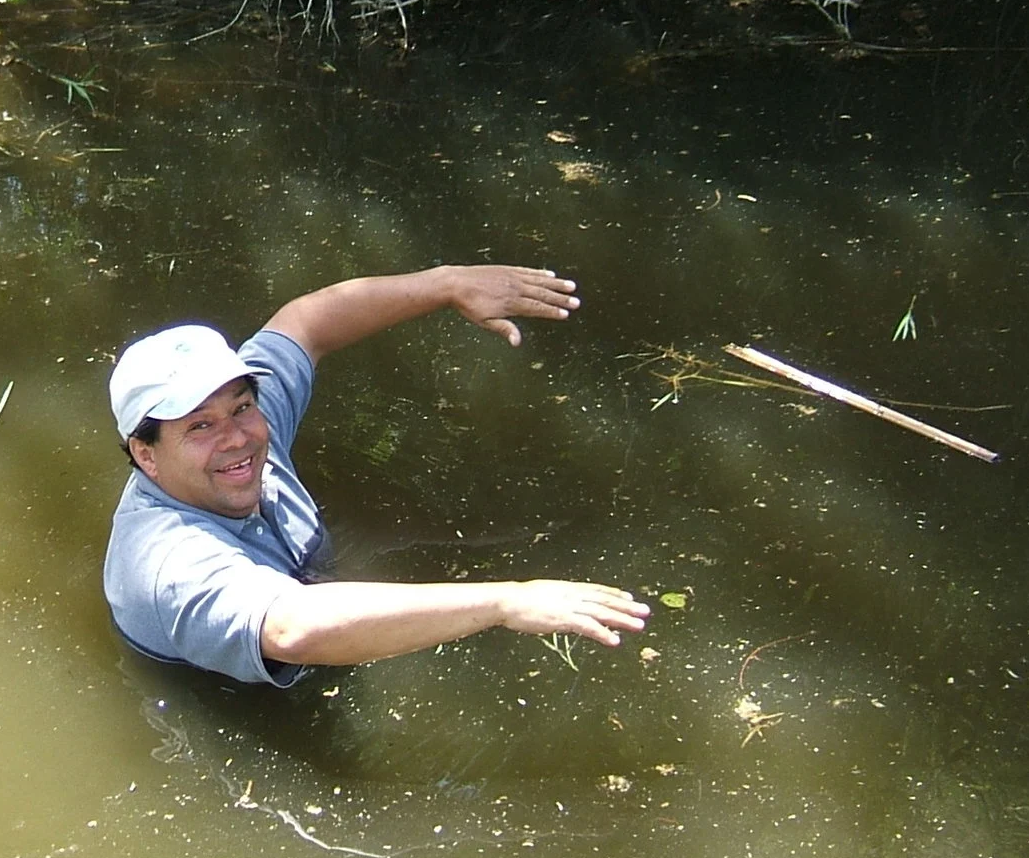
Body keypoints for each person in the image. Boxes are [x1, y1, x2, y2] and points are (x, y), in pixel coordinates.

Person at [103, 264, 651, 686]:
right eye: (199, 426)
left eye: (241, 407)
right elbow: (291, 628)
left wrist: (447, 283)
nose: (237, 437)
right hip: (240, 707)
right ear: (146, 454)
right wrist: (506, 602)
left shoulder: (246, 436)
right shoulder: (168, 564)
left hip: (314, 604)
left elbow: (305, 323)